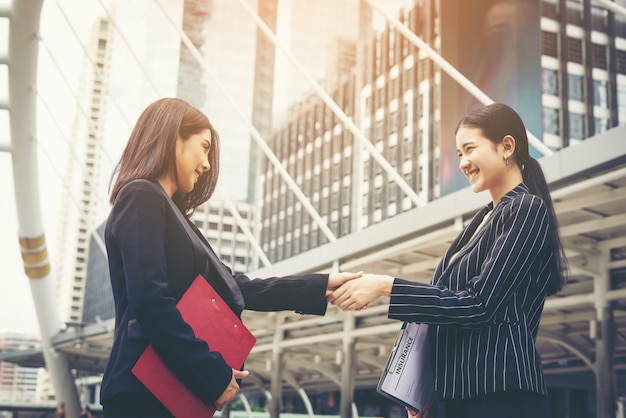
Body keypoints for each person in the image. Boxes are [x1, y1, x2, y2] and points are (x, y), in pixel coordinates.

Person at [100, 97, 361, 417]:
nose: (207, 164)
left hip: (166, 390)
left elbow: (236, 287)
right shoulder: (141, 196)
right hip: (143, 392)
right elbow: (151, 302)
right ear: (174, 138)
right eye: (204, 146)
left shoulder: (175, 217)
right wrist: (213, 374)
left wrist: (321, 286)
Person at [328, 103, 568, 418]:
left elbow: (479, 304)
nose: (464, 163)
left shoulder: (525, 208)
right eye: (458, 155)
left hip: (500, 393)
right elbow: (448, 307)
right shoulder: (482, 220)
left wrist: (386, 286)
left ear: (506, 147)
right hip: (457, 395)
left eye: (470, 149)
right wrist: (427, 390)